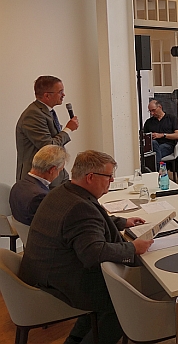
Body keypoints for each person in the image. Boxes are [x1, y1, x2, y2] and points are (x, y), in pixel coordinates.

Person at [19, 150, 152, 344]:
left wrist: (122, 222)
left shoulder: (63, 191)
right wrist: (133, 249)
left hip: (43, 271)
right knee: (124, 299)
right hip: (58, 281)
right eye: (108, 176)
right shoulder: (79, 208)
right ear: (90, 177)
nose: (112, 180)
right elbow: (94, 253)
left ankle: (76, 339)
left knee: (112, 289)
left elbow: (90, 221)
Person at [16, 75, 79, 187]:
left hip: (55, 175)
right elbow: (48, 147)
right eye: (60, 92)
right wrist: (68, 129)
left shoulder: (47, 111)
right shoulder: (33, 114)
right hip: (38, 180)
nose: (63, 95)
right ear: (47, 95)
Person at [10, 145, 68, 226]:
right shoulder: (40, 197)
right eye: (60, 170)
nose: (58, 175)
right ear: (52, 170)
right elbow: (52, 226)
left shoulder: (17, 186)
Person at [143, 99, 178, 165]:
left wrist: (162, 135)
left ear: (160, 107)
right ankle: (159, 172)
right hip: (152, 146)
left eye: (153, 110)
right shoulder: (148, 122)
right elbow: (144, 136)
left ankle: (156, 173)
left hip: (168, 145)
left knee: (155, 154)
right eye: (150, 111)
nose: (152, 113)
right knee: (154, 145)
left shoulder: (171, 118)